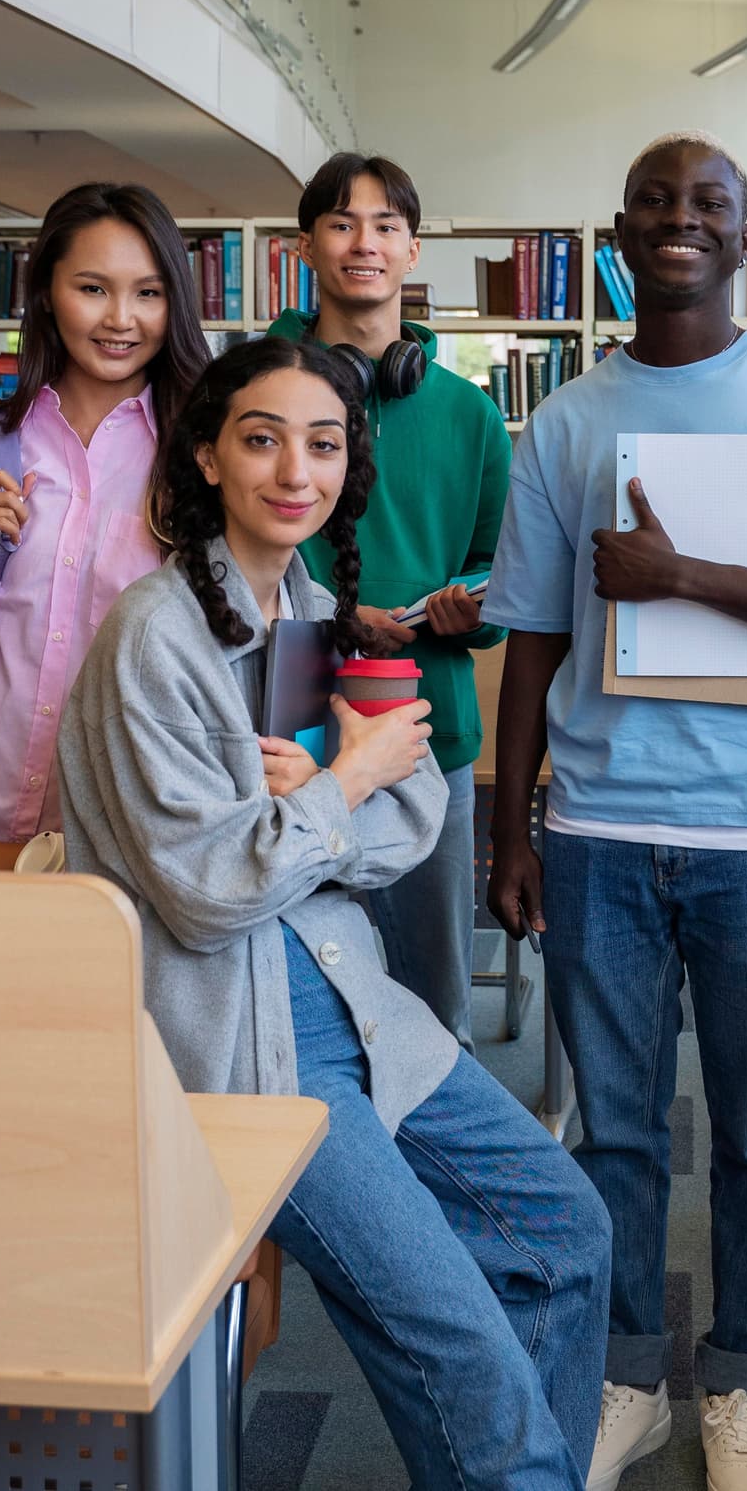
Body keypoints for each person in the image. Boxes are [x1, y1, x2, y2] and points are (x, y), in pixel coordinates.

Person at [56, 335, 611, 1489]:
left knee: (566, 1234)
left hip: (358, 1004)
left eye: (323, 443)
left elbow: (403, 837)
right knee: (458, 1344)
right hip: (247, 1050)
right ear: (207, 455)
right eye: (261, 439)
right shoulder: (153, 639)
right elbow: (214, 898)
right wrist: (344, 787)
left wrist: (325, 804)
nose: (294, 470)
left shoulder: (305, 604)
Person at [483, 131, 747, 1491]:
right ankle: (625, 1376)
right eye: (659, 201)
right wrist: (509, 830)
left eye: (710, 203)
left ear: (744, 234)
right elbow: (534, 640)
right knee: (610, 1129)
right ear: (621, 230)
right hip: (600, 827)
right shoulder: (565, 421)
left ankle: (737, 1381)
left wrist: (682, 574)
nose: (683, 219)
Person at [0, 182, 211, 841]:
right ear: (46, 295)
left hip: (133, 824)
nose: (121, 318)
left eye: (148, 292)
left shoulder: (206, 456)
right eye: (92, 288)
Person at [266, 151, 511, 1052]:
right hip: (285, 733)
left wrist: (469, 608)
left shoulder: (468, 414)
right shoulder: (262, 392)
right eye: (340, 223)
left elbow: (503, 573)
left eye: (384, 226)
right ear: (304, 247)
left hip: (422, 736)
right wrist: (334, 612)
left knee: (433, 1009)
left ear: (412, 250)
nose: (362, 244)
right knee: (290, 1004)